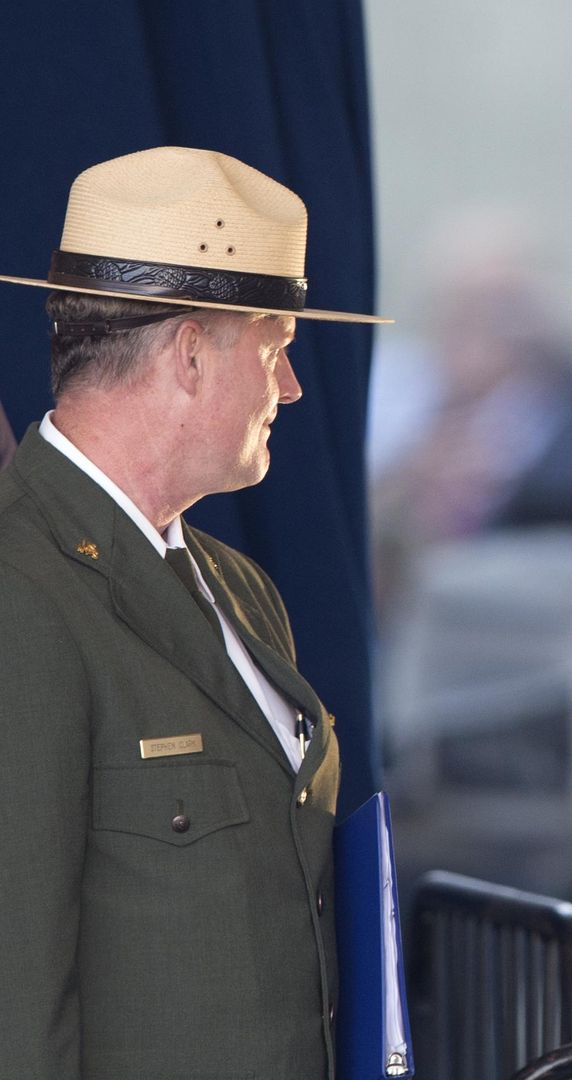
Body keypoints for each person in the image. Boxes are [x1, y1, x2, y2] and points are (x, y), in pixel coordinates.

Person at [0, 146, 387, 1079]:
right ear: (188, 354)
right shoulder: (22, 586)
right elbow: (15, 1005)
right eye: (275, 348)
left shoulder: (239, 587)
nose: (291, 387)